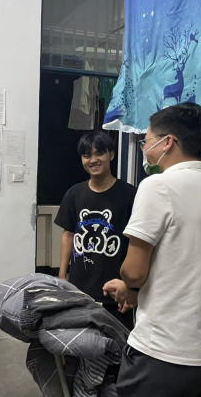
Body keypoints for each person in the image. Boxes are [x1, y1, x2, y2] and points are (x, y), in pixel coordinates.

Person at [103, 103, 201, 397]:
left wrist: (128, 284)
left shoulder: (157, 186)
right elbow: (190, 270)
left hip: (165, 356)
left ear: (168, 142)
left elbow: (134, 272)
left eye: (147, 140)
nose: (144, 148)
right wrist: (135, 293)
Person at [54, 132, 137, 330]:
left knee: (118, 343)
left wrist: (132, 288)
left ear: (111, 155)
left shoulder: (130, 195)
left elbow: (137, 243)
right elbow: (68, 235)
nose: (93, 160)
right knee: (80, 342)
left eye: (99, 153)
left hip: (116, 289)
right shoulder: (74, 193)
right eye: (87, 155)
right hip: (80, 288)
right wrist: (62, 276)